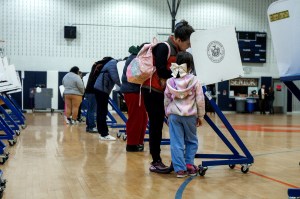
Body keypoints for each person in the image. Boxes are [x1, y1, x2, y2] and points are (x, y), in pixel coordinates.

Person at [141, 20, 195, 173]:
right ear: (178, 39)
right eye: (188, 42)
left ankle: (179, 160)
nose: (189, 46)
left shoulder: (178, 51)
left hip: (164, 92)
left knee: (173, 125)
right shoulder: (163, 47)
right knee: (156, 126)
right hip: (152, 91)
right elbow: (161, 71)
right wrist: (182, 76)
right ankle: (155, 161)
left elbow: (171, 74)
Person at [164, 51, 205, 178]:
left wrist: (167, 112)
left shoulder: (171, 81)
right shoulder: (195, 81)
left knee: (176, 142)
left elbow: (166, 98)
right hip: (190, 116)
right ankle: (189, 164)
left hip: (174, 115)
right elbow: (200, 99)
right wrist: (201, 116)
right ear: (191, 65)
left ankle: (180, 169)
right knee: (191, 141)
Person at [120, 44, 148, 152]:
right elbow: (136, 76)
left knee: (142, 118)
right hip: (133, 91)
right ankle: (132, 144)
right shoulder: (135, 59)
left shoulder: (135, 58)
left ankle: (138, 142)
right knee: (135, 118)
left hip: (136, 91)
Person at [94, 57, 121, 141]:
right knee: (102, 111)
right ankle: (104, 134)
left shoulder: (111, 63)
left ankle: (102, 132)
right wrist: (125, 86)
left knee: (101, 111)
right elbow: (116, 78)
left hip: (101, 89)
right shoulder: (113, 64)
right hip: (102, 89)